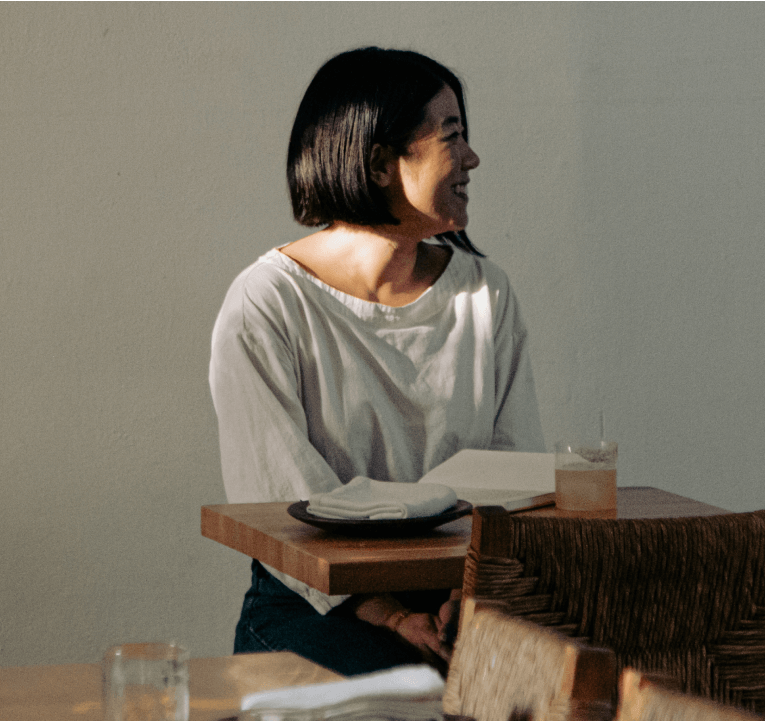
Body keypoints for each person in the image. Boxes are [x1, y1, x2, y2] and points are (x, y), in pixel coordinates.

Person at [208, 47, 545, 677]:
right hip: (319, 607)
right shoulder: (268, 302)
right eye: (451, 136)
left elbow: (514, 472)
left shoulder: (485, 293)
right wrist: (388, 614)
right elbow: (278, 496)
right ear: (379, 163)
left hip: (459, 603)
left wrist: (468, 596)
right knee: (407, 701)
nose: (472, 158)